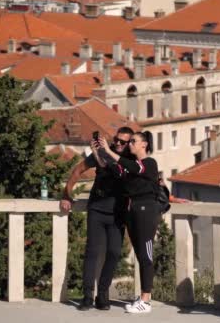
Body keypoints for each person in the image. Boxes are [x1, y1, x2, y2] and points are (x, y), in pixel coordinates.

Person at [59, 126, 134, 311]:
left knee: (115, 253)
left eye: (122, 142)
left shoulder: (129, 160)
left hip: (117, 214)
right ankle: (87, 296)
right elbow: (77, 171)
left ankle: (103, 294)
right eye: (116, 139)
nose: (117, 143)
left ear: (129, 144)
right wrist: (67, 195)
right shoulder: (100, 153)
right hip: (97, 210)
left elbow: (123, 174)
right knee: (92, 251)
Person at [99, 131, 161, 314]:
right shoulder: (131, 165)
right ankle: (142, 298)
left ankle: (146, 300)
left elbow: (134, 168)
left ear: (144, 144)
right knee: (140, 255)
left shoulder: (149, 163)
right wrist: (100, 151)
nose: (130, 144)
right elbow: (114, 168)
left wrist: (111, 153)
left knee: (146, 256)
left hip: (146, 212)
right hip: (132, 212)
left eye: (134, 141)